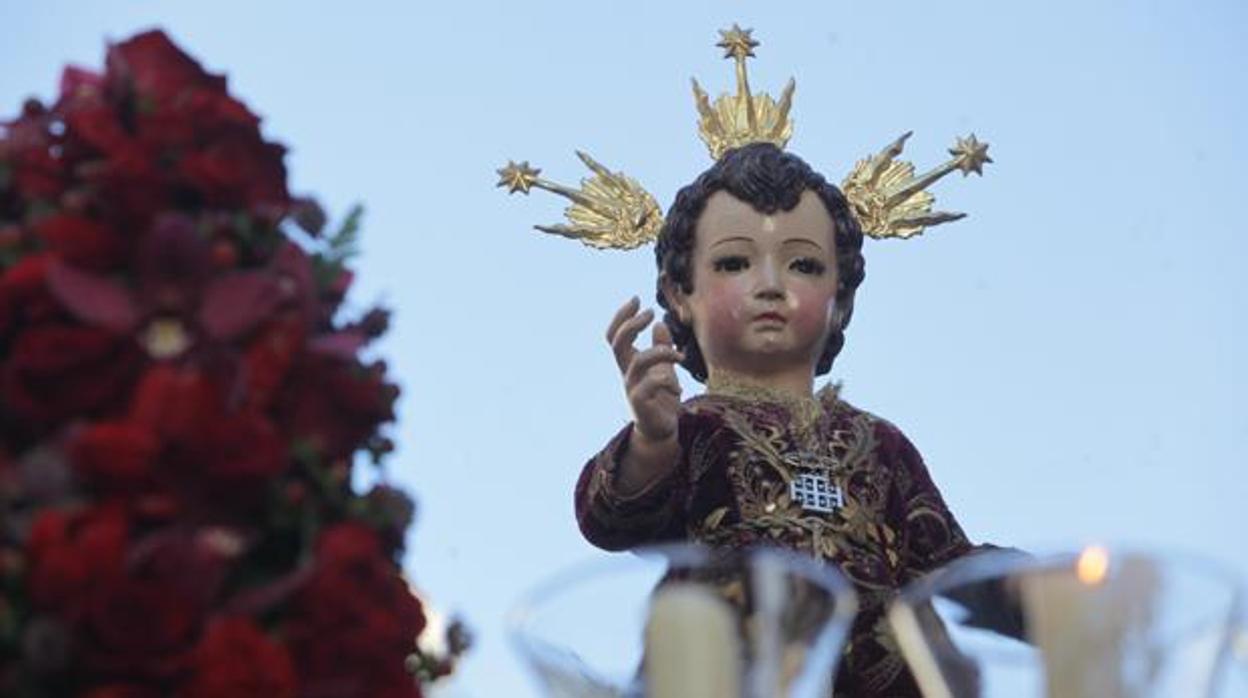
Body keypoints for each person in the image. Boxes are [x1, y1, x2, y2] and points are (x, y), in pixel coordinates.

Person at [574, 142, 983, 696]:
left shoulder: (879, 442)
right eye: (734, 263)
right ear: (681, 293)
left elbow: (943, 562)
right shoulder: (694, 430)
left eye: (804, 265)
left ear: (839, 297)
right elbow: (609, 518)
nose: (771, 284)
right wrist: (652, 439)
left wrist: (1032, 587)